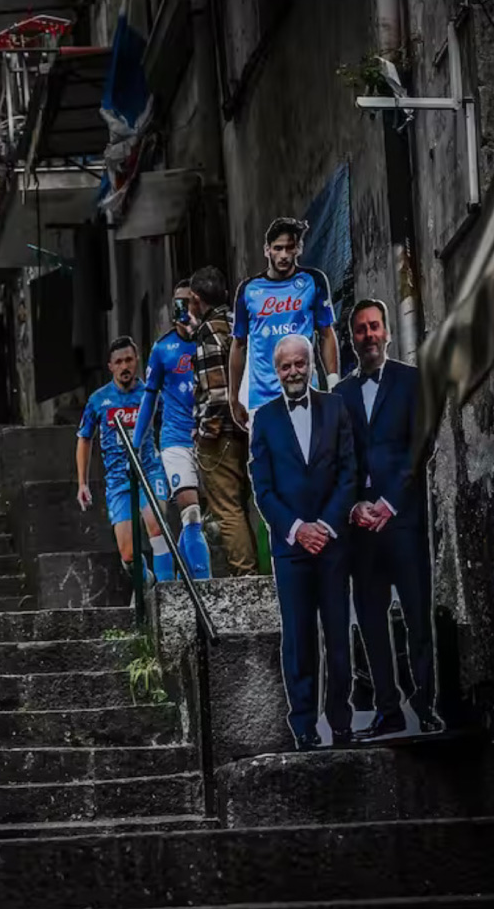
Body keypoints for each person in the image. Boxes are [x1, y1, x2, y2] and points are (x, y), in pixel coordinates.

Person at [333, 299, 442, 739]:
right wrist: (354, 506)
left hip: (402, 520)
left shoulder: (413, 381)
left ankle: (427, 705)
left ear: (388, 332)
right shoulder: (339, 395)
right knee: (372, 621)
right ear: (352, 338)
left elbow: (423, 445)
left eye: (375, 327)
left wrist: (390, 504)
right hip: (361, 527)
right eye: (361, 330)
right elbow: (338, 460)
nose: (369, 335)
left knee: (418, 615)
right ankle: (387, 709)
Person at [249, 334, 358, 750]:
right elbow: (263, 489)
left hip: (332, 543)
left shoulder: (335, 408)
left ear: (311, 364)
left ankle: (342, 721)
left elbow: (349, 472)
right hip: (291, 546)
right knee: (298, 637)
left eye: (299, 364)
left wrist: (326, 526)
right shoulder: (265, 418)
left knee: (337, 633)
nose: (293, 371)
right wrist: (297, 529)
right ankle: (304, 726)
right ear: (276, 372)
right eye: (285, 366)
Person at [76, 336, 176, 584]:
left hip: (149, 472)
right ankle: (148, 581)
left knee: (156, 525)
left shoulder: (151, 394)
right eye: (119, 362)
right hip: (119, 480)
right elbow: (84, 439)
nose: (125, 366)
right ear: (110, 366)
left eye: (129, 360)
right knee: (128, 553)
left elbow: (169, 426)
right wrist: (82, 483)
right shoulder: (98, 400)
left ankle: (168, 593)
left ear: (137, 361)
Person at [229, 218, 341, 430]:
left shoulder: (313, 281)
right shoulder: (249, 290)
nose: (283, 255)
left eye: (289, 248)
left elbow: (326, 333)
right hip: (262, 398)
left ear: (298, 249)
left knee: (309, 459)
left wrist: (334, 382)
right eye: (277, 248)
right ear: (266, 250)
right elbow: (238, 344)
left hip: (305, 391)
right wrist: (233, 398)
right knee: (265, 462)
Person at [134, 280, 213, 579]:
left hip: (210, 437)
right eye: (178, 302)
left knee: (204, 519)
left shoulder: (211, 340)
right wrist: (137, 441)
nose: (184, 308)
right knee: (190, 513)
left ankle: (184, 572)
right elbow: (149, 398)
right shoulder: (162, 349)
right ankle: (205, 587)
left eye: (189, 301)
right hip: (175, 440)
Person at [189, 265, 259, 577]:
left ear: (195, 299)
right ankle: (253, 571)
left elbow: (216, 393)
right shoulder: (238, 323)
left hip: (223, 433)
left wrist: (205, 435)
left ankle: (245, 576)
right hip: (249, 426)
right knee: (244, 503)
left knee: (227, 508)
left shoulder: (208, 333)